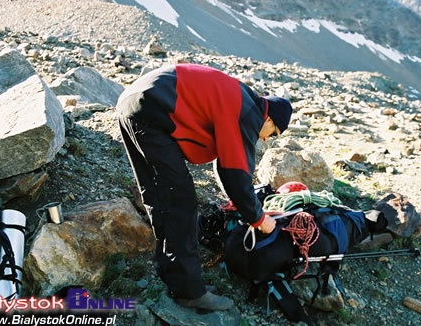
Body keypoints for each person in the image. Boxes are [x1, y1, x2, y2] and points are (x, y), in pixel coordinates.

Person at [116, 63, 293, 311]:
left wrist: (235, 200)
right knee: (181, 203)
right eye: (273, 133)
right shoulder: (250, 113)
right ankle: (189, 293)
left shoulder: (242, 100)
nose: (266, 139)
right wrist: (259, 218)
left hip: (135, 102)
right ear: (270, 118)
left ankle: (172, 275)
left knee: (159, 196)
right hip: (155, 108)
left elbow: (224, 165)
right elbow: (236, 172)